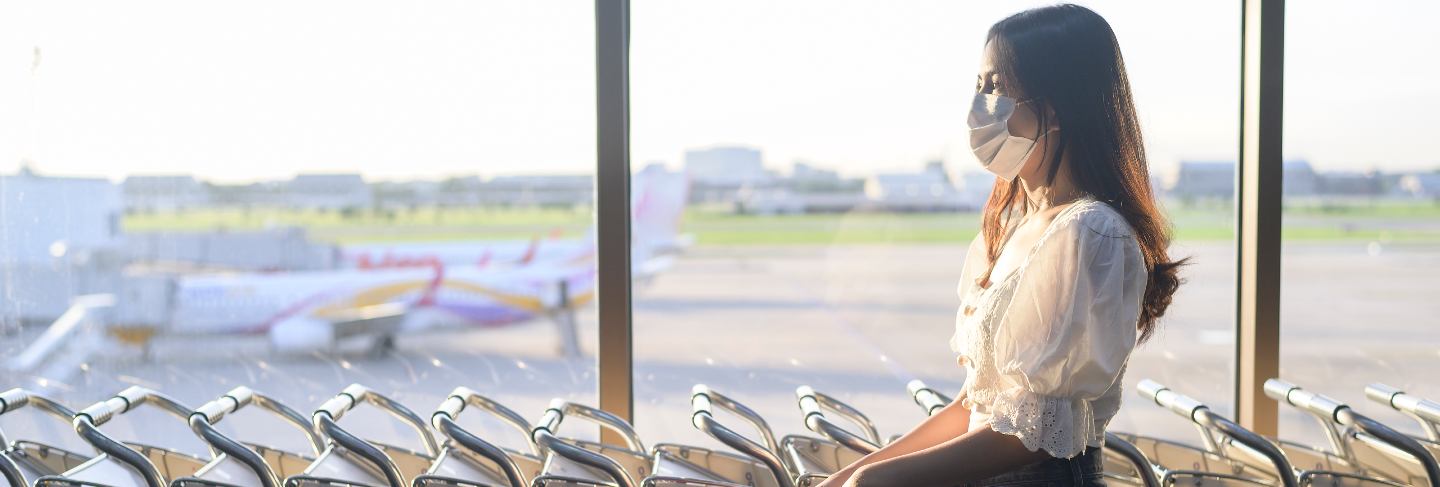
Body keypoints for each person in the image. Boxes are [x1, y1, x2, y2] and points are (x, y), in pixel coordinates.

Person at [816, 4, 1187, 486]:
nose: (980, 104)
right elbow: (977, 406)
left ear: (1053, 106)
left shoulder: (1091, 232)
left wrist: (877, 483)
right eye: (978, 85)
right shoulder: (1014, 224)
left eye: (995, 86)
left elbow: (1031, 434)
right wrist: (859, 471)